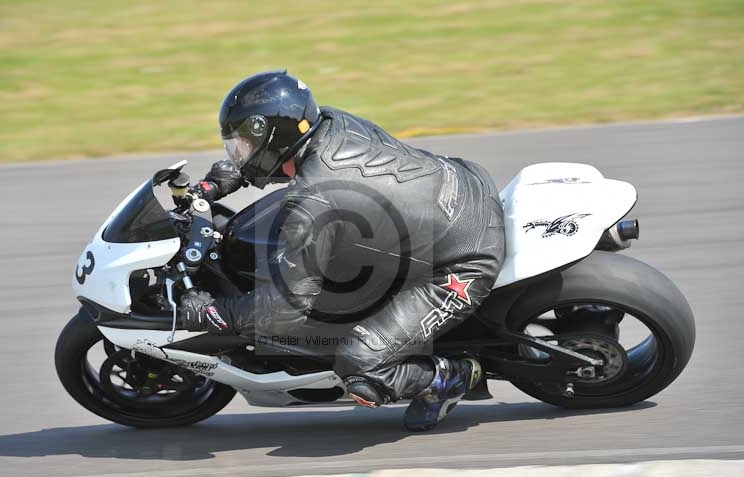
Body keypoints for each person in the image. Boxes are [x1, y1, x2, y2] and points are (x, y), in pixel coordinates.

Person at [180, 70, 505, 431]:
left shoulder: (313, 201)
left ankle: (450, 377)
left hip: (461, 262)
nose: (239, 155)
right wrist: (222, 181)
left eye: (243, 147)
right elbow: (279, 161)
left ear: (274, 138)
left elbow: (286, 310)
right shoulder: (330, 122)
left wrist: (217, 312)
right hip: (467, 184)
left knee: (358, 364)